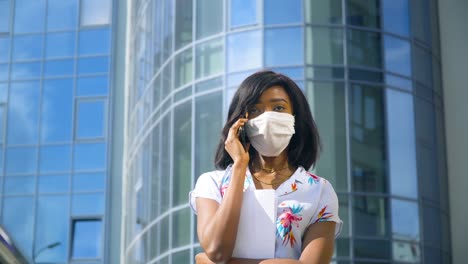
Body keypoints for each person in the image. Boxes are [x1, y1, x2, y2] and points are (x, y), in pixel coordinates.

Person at [189, 70, 342, 264]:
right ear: (241, 122)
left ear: (295, 116)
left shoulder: (319, 190)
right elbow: (217, 252)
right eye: (255, 110)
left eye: (279, 108)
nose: (268, 117)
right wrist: (239, 166)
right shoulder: (211, 183)